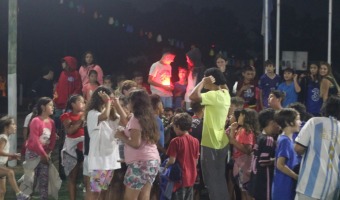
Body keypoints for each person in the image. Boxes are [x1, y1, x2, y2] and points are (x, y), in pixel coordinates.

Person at [189, 67, 231, 200]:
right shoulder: (225, 93)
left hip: (210, 142)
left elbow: (193, 96)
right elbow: (224, 85)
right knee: (220, 179)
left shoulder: (213, 95)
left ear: (210, 79)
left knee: (211, 182)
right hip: (222, 141)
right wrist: (219, 78)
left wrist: (202, 82)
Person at [115, 89, 160, 200]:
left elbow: (136, 143)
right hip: (152, 161)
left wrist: (121, 136)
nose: (127, 105)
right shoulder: (148, 118)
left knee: (130, 198)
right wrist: (116, 104)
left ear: (134, 103)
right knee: (144, 195)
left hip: (140, 163)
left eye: (129, 102)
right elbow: (127, 122)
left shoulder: (136, 119)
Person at [294, 96, 340, 200]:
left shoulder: (314, 122)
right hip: (333, 187)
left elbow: (298, 148)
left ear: (325, 107)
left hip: (310, 185)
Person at [85, 86, 125, 200]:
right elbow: (104, 116)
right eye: (108, 99)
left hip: (110, 159)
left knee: (104, 191)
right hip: (99, 160)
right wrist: (108, 102)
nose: (111, 101)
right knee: (95, 191)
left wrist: (117, 105)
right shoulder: (92, 113)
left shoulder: (112, 115)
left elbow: (125, 120)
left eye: (111, 99)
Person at [22, 97, 58, 200]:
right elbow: (34, 139)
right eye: (50, 105)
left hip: (45, 154)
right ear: (43, 107)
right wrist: (43, 154)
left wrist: (49, 151)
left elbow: (53, 138)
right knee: (30, 180)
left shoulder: (51, 122)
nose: (53, 107)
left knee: (44, 180)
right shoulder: (35, 121)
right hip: (33, 153)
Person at [165, 113, 200, 200]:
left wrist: (165, 167)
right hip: (191, 177)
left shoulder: (175, 141)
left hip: (180, 179)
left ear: (177, 126)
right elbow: (196, 161)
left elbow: (172, 160)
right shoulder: (195, 141)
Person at [226, 108, 259, 200]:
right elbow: (232, 143)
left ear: (246, 117)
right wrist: (232, 130)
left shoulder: (247, 131)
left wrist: (232, 141)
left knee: (247, 193)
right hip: (239, 163)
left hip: (244, 164)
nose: (239, 117)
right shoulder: (240, 129)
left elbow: (248, 150)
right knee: (242, 191)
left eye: (241, 115)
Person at [248, 109, 279, 200]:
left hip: (256, 179)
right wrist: (277, 159)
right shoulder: (268, 139)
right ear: (271, 122)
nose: (279, 126)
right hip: (264, 181)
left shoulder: (260, 136)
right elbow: (263, 161)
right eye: (278, 122)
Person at [60, 95, 85, 200]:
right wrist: (80, 120)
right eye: (81, 102)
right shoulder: (66, 115)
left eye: (84, 102)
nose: (83, 104)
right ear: (73, 104)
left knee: (87, 178)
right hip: (72, 150)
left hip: (85, 148)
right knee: (72, 178)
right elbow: (70, 131)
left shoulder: (87, 114)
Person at [272, 108, 301, 200]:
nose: (300, 122)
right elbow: (280, 165)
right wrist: (297, 177)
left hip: (286, 184)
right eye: (297, 119)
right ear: (288, 122)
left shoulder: (286, 138)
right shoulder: (285, 141)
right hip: (284, 186)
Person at [0, 116, 30, 200]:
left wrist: (11, 158)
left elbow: (1, 157)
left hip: (2, 166)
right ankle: (19, 194)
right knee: (10, 172)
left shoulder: (5, 138)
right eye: (13, 124)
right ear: (6, 127)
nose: (15, 126)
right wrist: (12, 155)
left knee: (2, 191)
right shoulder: (3, 138)